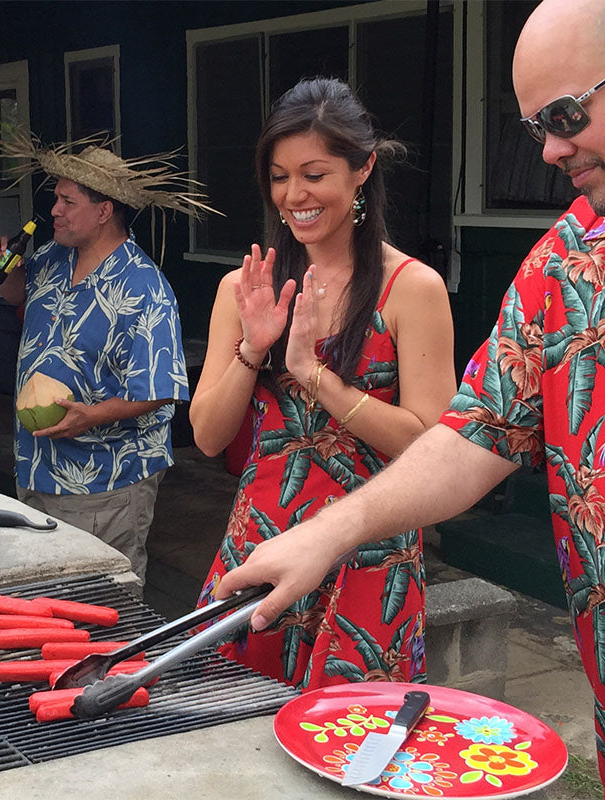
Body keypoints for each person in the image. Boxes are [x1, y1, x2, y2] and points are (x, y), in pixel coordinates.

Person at [219, 1, 605, 796]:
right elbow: (470, 437)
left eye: (566, 115)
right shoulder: (566, 258)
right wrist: (331, 531)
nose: (553, 149)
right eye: (535, 129)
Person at [189, 77, 456, 689]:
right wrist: (255, 348)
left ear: (361, 169)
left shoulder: (411, 289)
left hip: (368, 557)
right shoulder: (245, 287)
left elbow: (430, 447)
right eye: (279, 177)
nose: (294, 195)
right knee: (235, 737)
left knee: (350, 742)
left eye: (314, 174)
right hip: (260, 539)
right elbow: (206, 436)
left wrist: (314, 375)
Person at [0, 139, 214, 590]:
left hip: (106, 477)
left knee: (104, 597)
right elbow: (21, 299)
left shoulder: (144, 286)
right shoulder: (50, 257)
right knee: (45, 595)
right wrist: (8, 273)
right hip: (38, 464)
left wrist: (91, 416)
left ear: (104, 211)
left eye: (68, 201)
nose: (55, 211)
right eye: (56, 199)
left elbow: (160, 388)